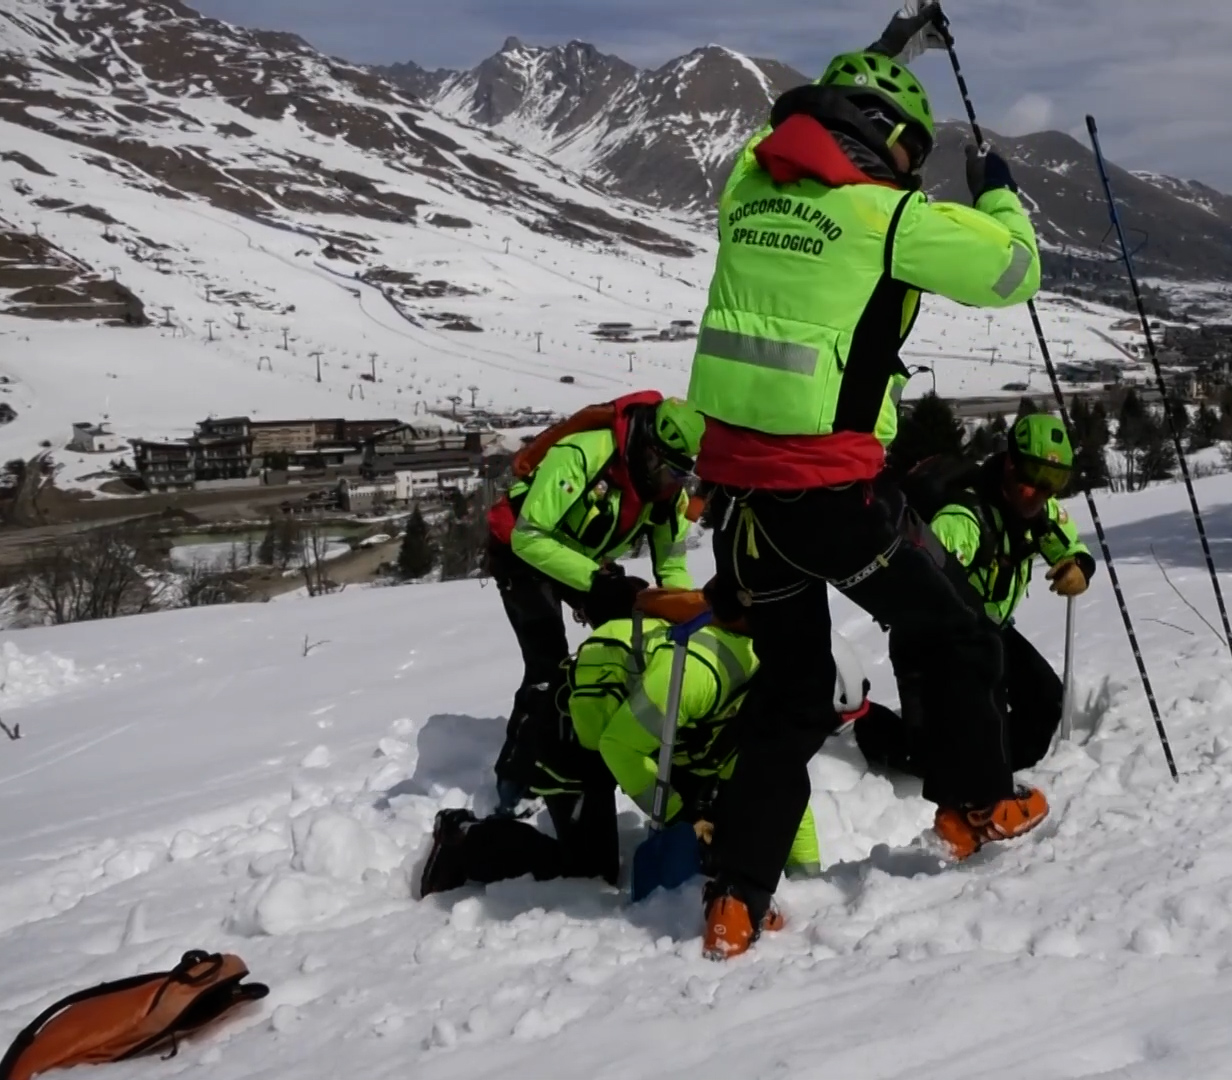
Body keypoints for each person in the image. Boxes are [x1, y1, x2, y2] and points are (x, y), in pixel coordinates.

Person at [685, 2, 1049, 960]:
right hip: (835, 498)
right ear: (891, 143)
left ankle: (736, 898)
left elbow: (785, 123)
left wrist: (886, 48)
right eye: (912, 150)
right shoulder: (886, 217)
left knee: (792, 695)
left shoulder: (748, 191)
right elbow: (1014, 271)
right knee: (957, 631)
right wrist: (998, 189)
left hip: (746, 505)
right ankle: (979, 806)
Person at [420, 591, 869, 897]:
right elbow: (618, 744)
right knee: (589, 871)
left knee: (725, 816)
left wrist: (807, 879)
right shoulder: (702, 676)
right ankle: (465, 839)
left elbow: (781, 784)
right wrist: (678, 815)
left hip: (655, 736)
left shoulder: (764, 698)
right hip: (579, 730)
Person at [485, 393, 704, 882]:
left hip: (582, 557)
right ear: (648, 449)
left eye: (680, 475)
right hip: (523, 552)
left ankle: (596, 743)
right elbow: (530, 535)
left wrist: (680, 612)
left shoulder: (668, 494)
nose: (671, 483)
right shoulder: (584, 455)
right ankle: (516, 781)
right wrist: (597, 581)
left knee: (614, 653)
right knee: (547, 663)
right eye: (666, 470)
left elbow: (670, 563)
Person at [858, 414, 1094, 777]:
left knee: (1044, 703)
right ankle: (863, 722)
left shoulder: (1039, 510)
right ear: (1012, 465)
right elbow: (919, 586)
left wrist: (1078, 565)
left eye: (1055, 481)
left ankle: (995, 774)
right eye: (1037, 478)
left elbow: (1067, 544)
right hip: (930, 641)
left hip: (988, 630)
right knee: (930, 758)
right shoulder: (963, 520)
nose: (1044, 491)